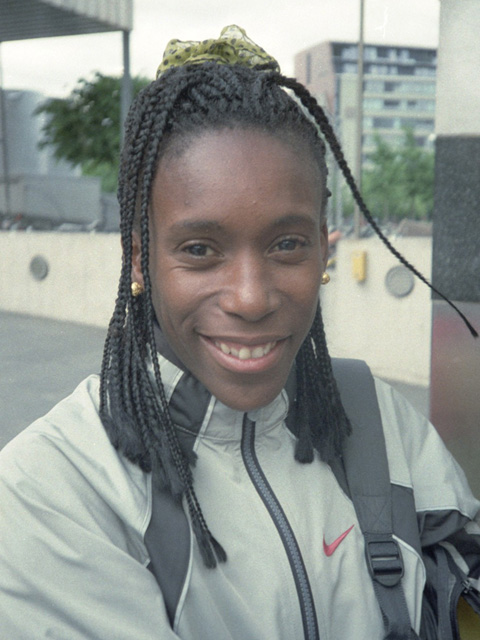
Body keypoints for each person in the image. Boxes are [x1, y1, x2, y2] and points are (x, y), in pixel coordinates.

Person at [0, 26, 479, 640]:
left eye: (287, 244)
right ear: (140, 259)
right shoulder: (54, 488)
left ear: (323, 247)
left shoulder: (378, 420)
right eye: (200, 250)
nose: (251, 298)